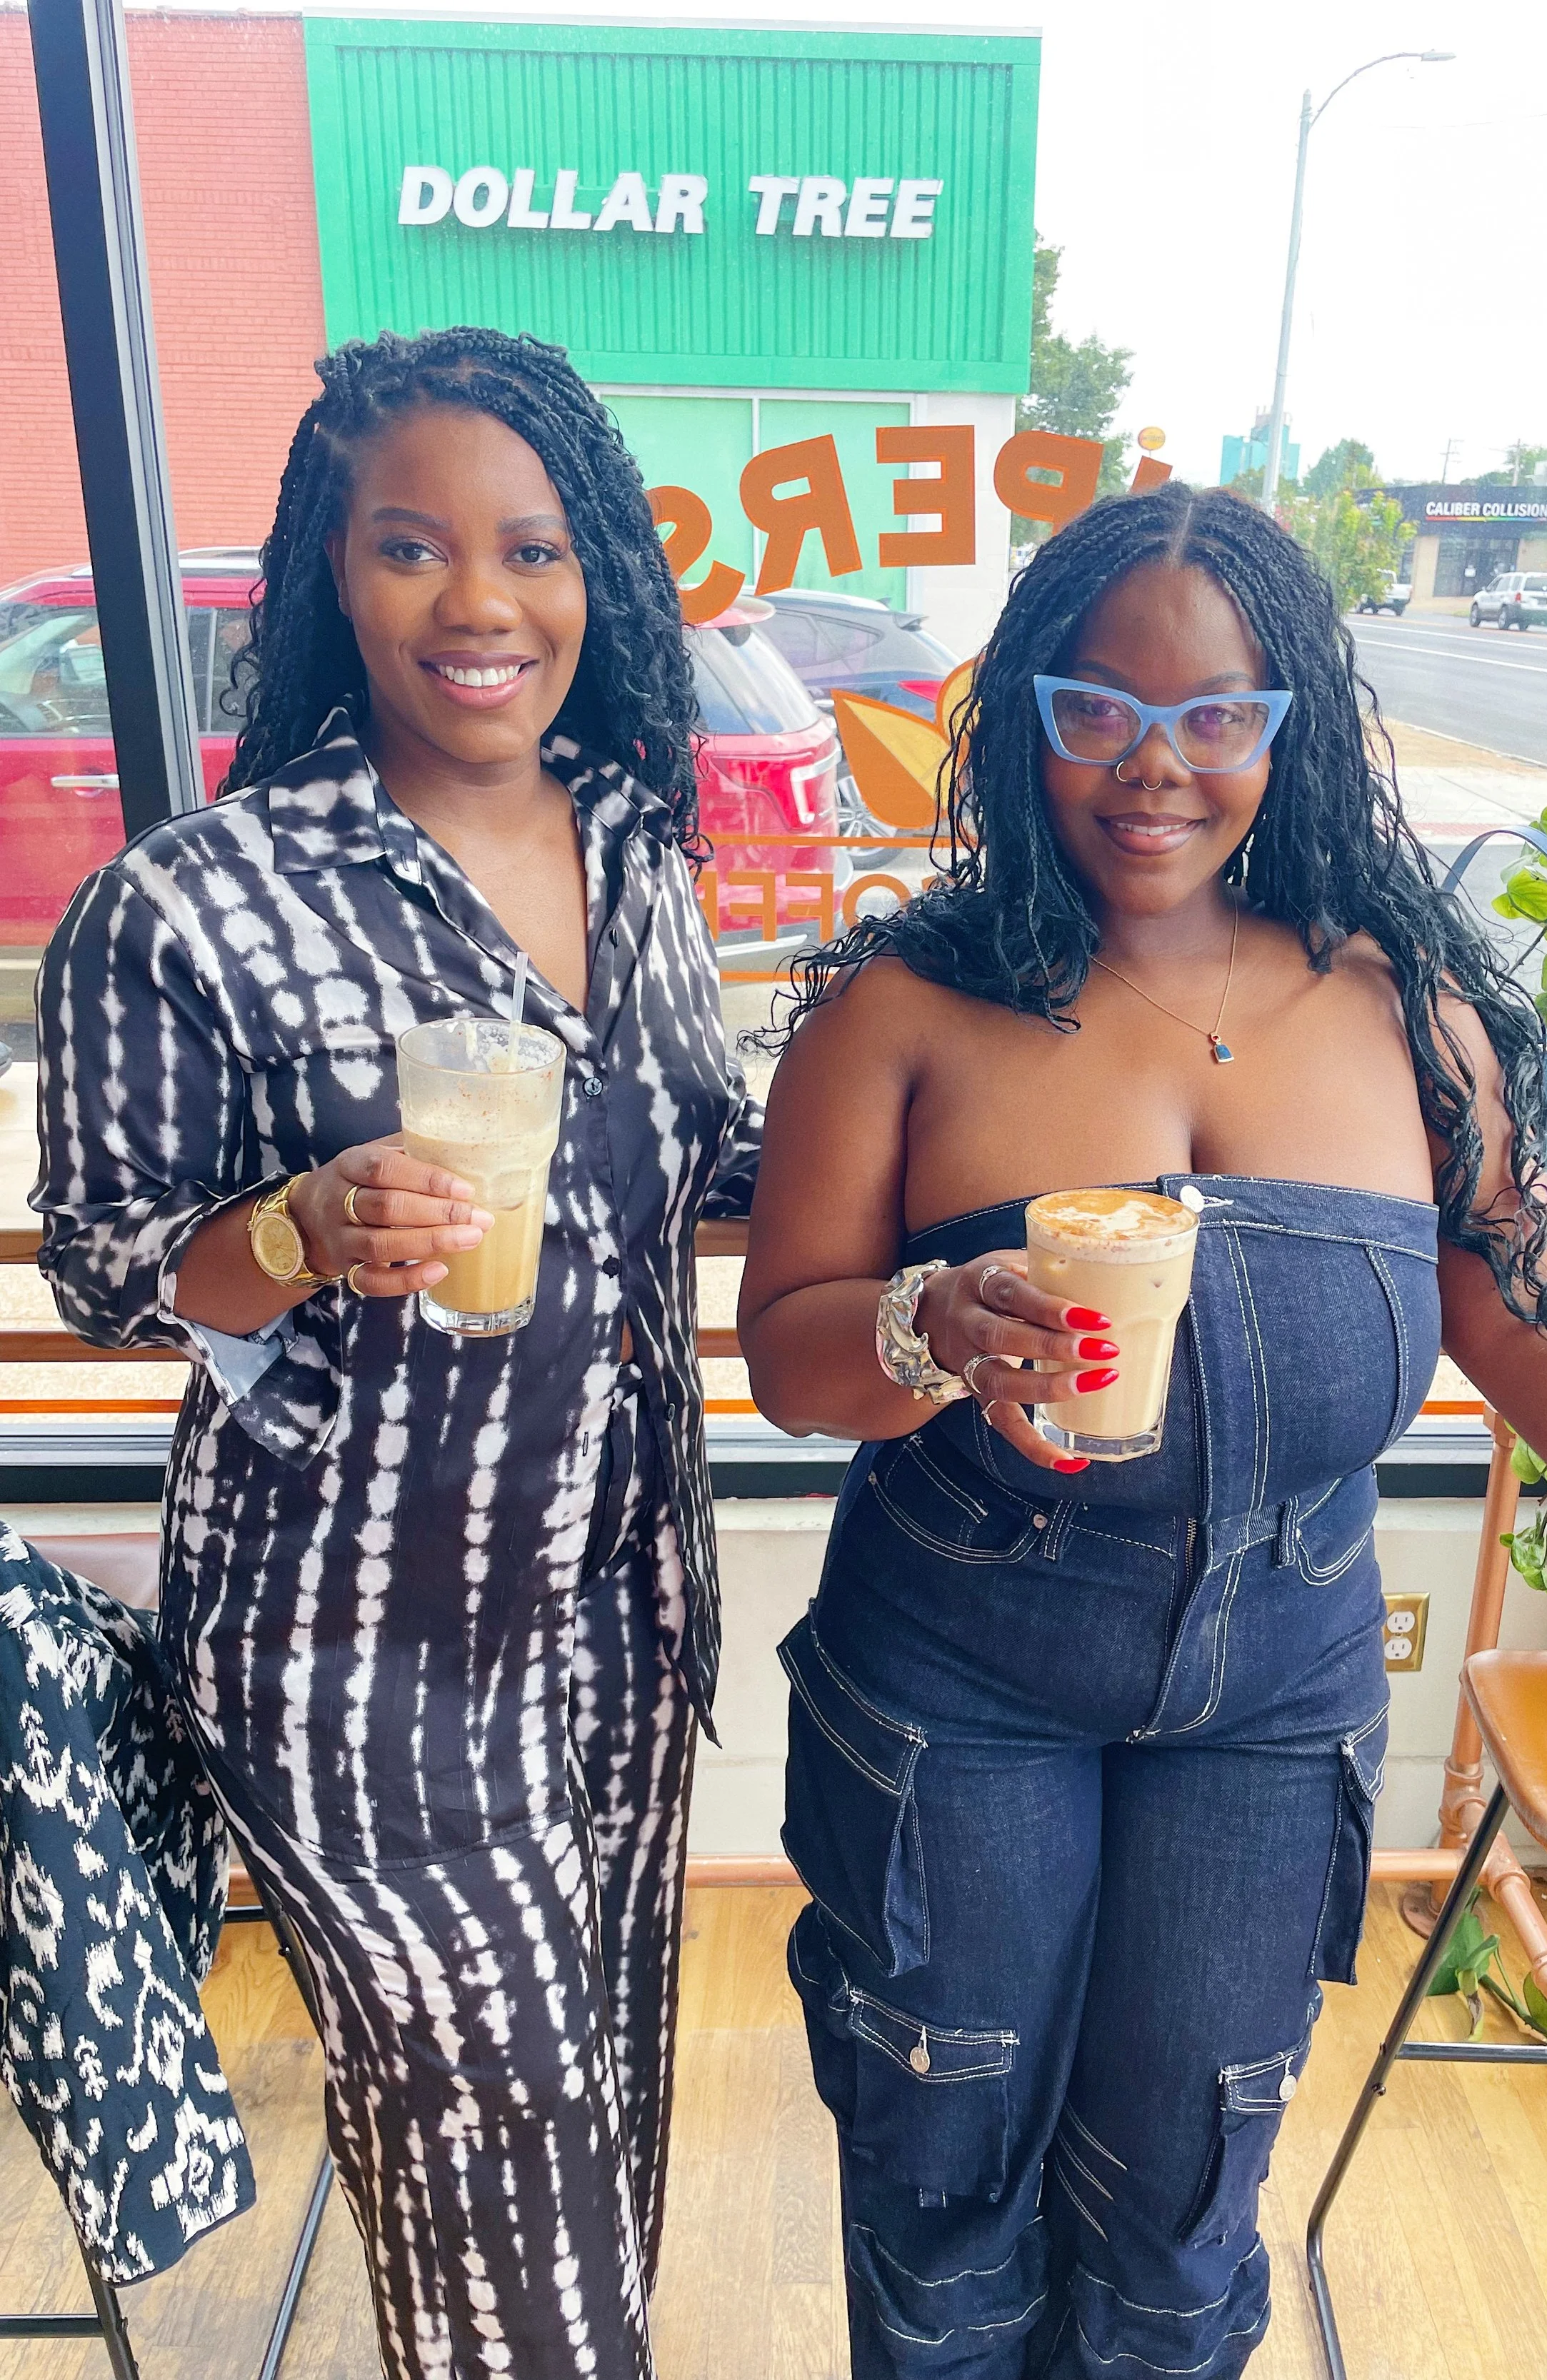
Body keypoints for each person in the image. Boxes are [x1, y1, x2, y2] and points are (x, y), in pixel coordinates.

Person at [736, 480, 1547, 2379]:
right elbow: (797, 1358)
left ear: (1283, 728)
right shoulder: (906, 1008)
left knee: (1176, 2215)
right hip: (955, 1691)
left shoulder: (1399, 1007)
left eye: (1216, 713)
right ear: (1028, 711)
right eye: (1099, 711)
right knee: (944, 2187)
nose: (1156, 766)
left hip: (1268, 1707)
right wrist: (926, 1317)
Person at [34, 327, 756, 2380]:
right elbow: (107, 1264)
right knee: (491, 2128)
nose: (478, 603)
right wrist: (297, 1222)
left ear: (594, 576)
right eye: (411, 547)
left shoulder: (638, 849)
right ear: (328, 577)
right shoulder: (191, 904)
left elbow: (697, 1152)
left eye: (529, 549)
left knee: (586, 2126)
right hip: (355, 1649)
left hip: (619, 1618)